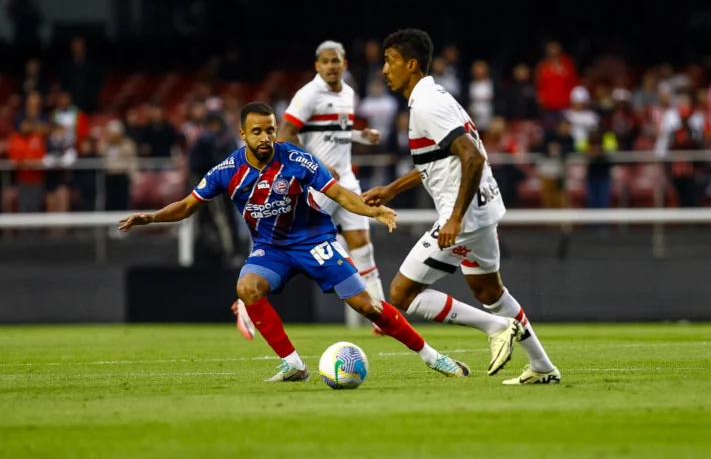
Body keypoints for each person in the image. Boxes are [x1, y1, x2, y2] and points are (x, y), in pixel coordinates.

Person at [118, 102, 474, 382]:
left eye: (270, 130)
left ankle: (433, 357)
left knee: (369, 307)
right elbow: (185, 206)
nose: (265, 137)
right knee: (247, 287)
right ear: (242, 134)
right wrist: (150, 217)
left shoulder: (296, 158)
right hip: (271, 250)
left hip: (314, 240)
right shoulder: (228, 170)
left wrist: (373, 212)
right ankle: (293, 366)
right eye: (257, 131)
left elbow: (339, 193)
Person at [363, 29, 561, 384]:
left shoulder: (427, 105)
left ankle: (497, 328)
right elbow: (439, 160)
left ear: (411, 65)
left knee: (401, 293)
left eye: (390, 62)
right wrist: (392, 189)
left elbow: (472, 156)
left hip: (465, 216)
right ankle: (543, 367)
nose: (384, 70)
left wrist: (454, 218)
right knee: (490, 292)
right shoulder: (436, 97)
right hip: (482, 210)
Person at [235, 40, 386, 335]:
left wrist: (361, 136)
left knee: (362, 246)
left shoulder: (349, 93)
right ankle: (244, 301)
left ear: (345, 64)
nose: (331, 66)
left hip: (345, 178)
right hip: (316, 183)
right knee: (286, 243)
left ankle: (379, 316)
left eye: (336, 61)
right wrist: (314, 164)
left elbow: (331, 131)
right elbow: (287, 134)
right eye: (326, 61)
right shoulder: (308, 94)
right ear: (317, 66)